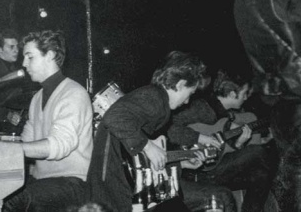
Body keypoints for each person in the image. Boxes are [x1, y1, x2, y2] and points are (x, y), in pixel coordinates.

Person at [86, 51, 219, 212]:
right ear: (180, 84)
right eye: (190, 93)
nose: (187, 101)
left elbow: (139, 156)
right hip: (115, 187)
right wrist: (148, 146)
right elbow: (113, 117)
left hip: (119, 185)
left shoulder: (158, 101)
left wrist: (181, 163)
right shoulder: (154, 97)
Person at [2, 30, 94, 212]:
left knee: (14, 201)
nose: (23, 63)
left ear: (50, 55)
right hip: (45, 182)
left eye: (30, 57)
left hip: (73, 183)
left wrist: (10, 150)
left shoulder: (74, 94)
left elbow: (59, 146)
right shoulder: (37, 98)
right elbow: (27, 142)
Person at [167, 69, 277, 212]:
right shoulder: (202, 108)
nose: (246, 98)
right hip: (195, 171)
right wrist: (200, 138)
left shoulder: (224, 114)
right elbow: (170, 127)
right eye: (244, 94)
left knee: (261, 175)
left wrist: (239, 143)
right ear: (232, 94)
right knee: (258, 151)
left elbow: (224, 150)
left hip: (214, 168)